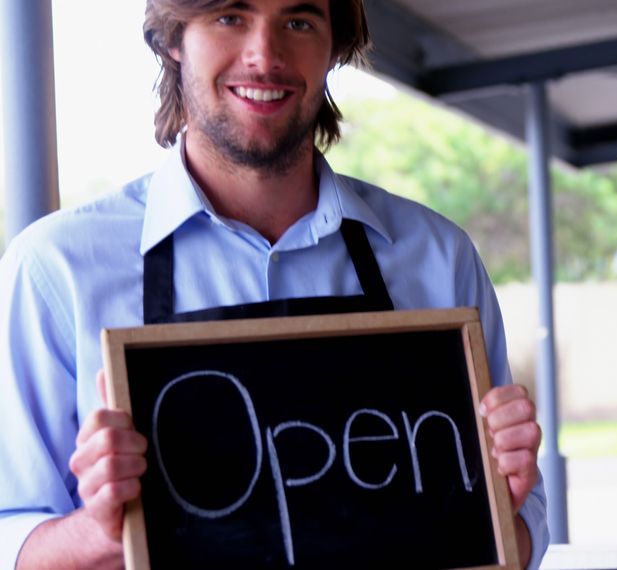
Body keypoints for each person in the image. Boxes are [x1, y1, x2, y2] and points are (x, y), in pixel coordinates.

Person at [0, 0, 548, 568]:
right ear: (172, 40)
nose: (266, 55)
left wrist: (492, 512)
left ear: (334, 47)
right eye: (230, 16)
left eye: (299, 21)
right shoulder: (56, 270)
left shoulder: (438, 259)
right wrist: (103, 532)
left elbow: (524, 526)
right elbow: (10, 534)